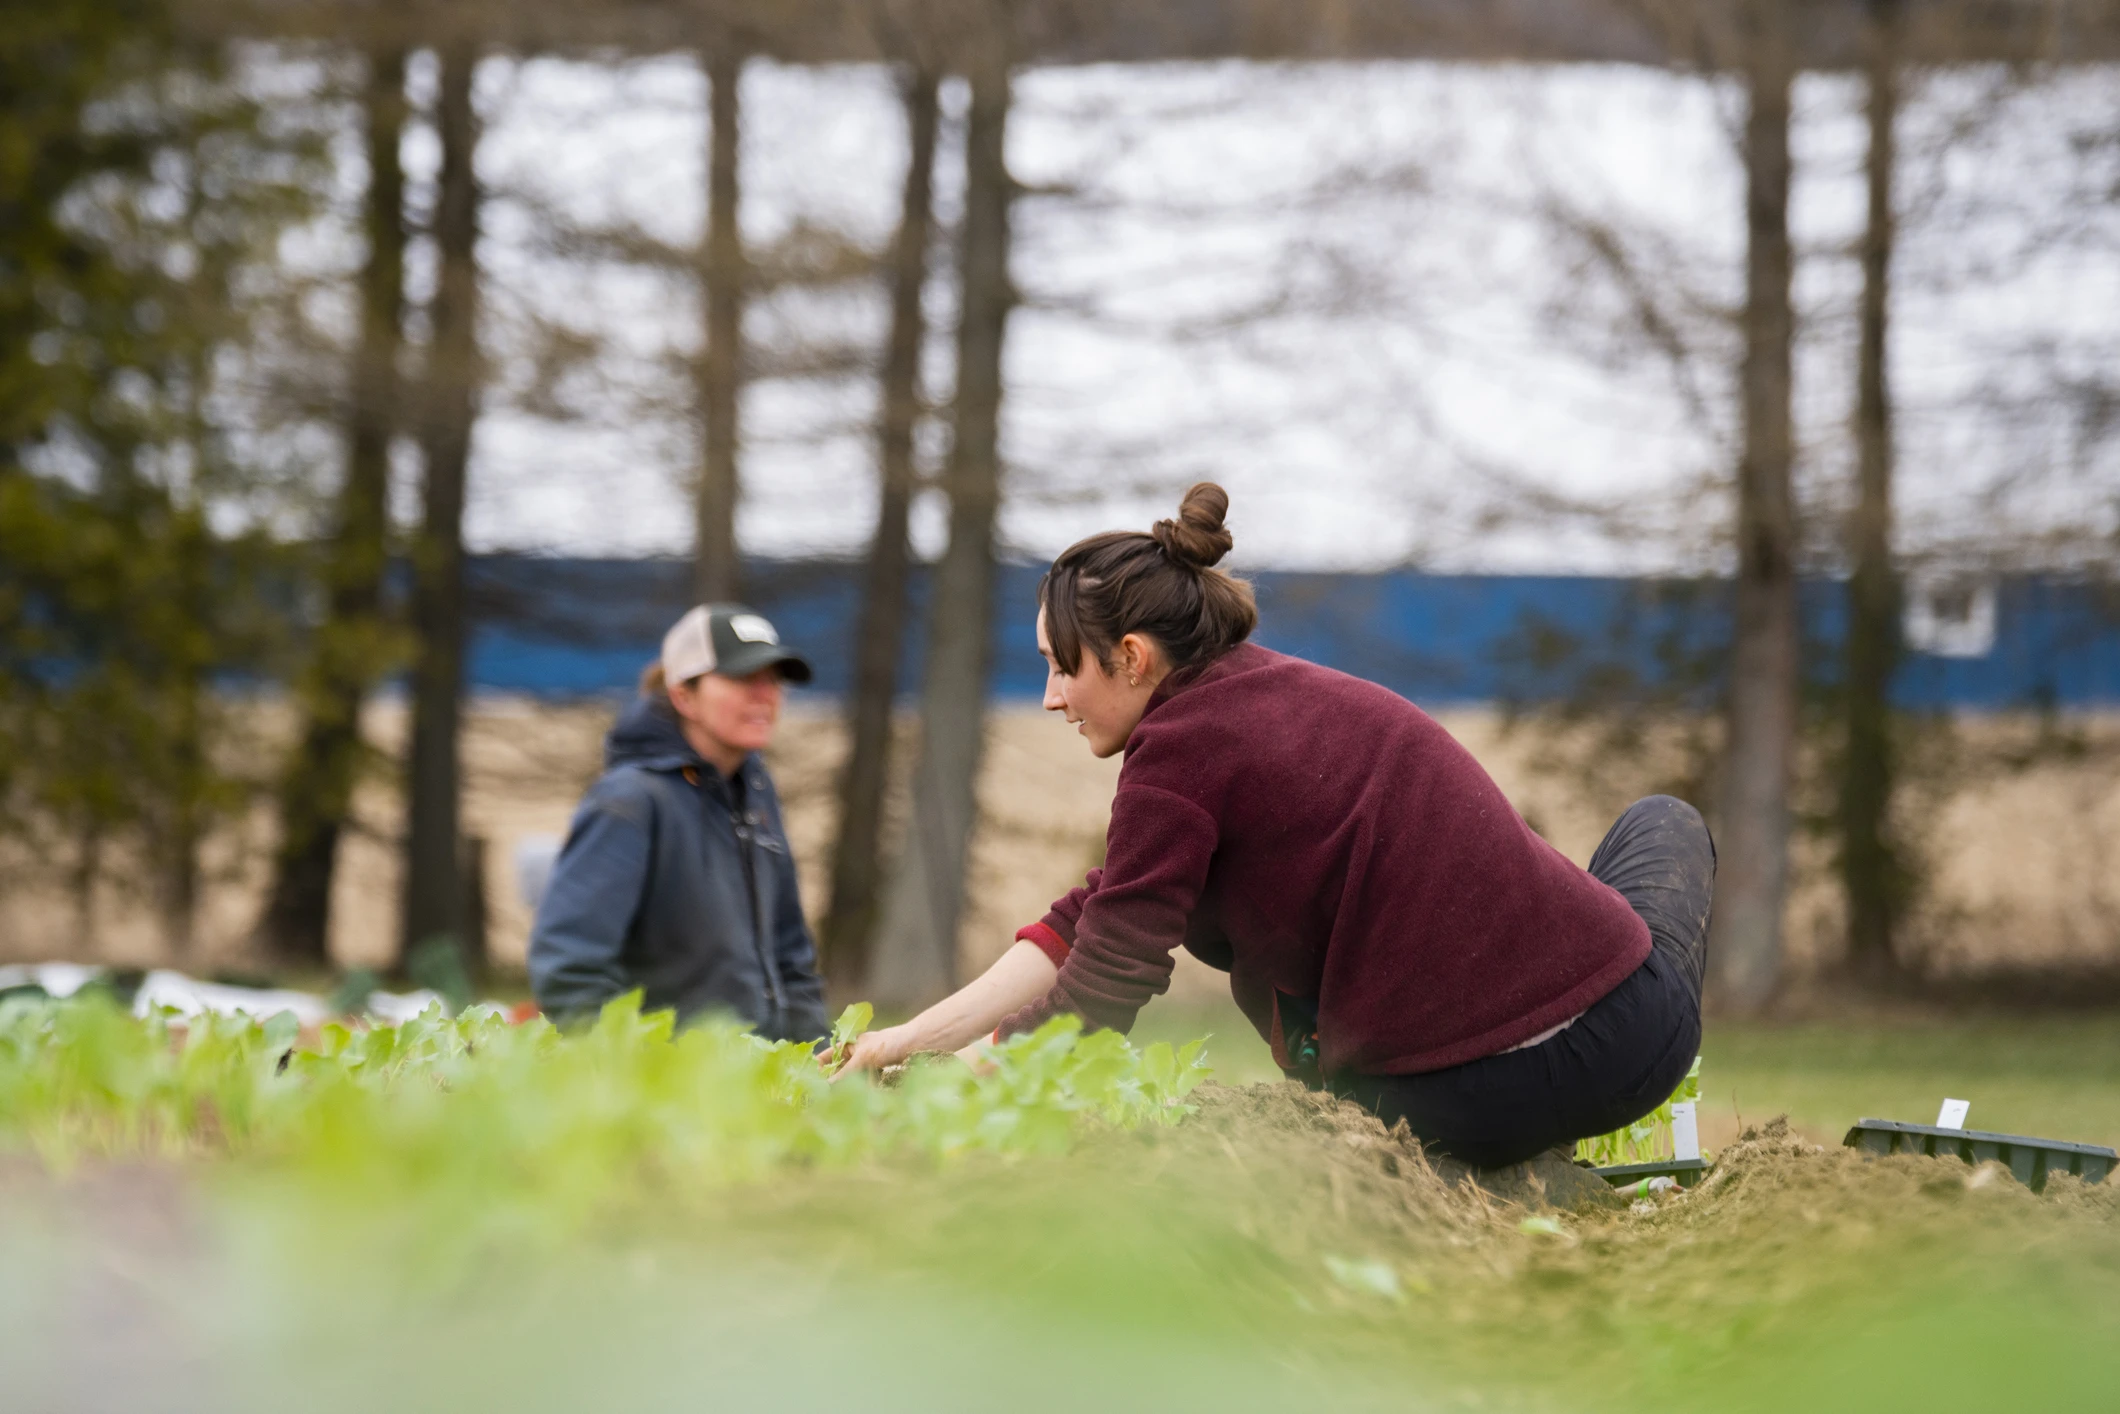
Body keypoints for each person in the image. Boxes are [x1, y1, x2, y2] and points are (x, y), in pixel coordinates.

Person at [846, 483, 1715, 1169]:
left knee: (1650, 829)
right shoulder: (1253, 703)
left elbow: (1104, 973)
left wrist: (962, 1088)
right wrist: (906, 1045)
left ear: (1133, 657)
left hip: (1444, 1100)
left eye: (1060, 667)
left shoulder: (1183, 748)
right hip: (1573, 1063)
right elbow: (1094, 926)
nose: (1051, 698)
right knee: (1663, 825)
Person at [528, 603, 829, 1042]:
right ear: (682, 694)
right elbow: (569, 971)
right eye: (744, 678)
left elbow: (792, 962)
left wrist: (817, 1071)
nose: (765, 694)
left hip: (763, 1094)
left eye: (775, 680)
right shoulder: (630, 800)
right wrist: (647, 1077)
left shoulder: (757, 795)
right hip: (668, 1098)